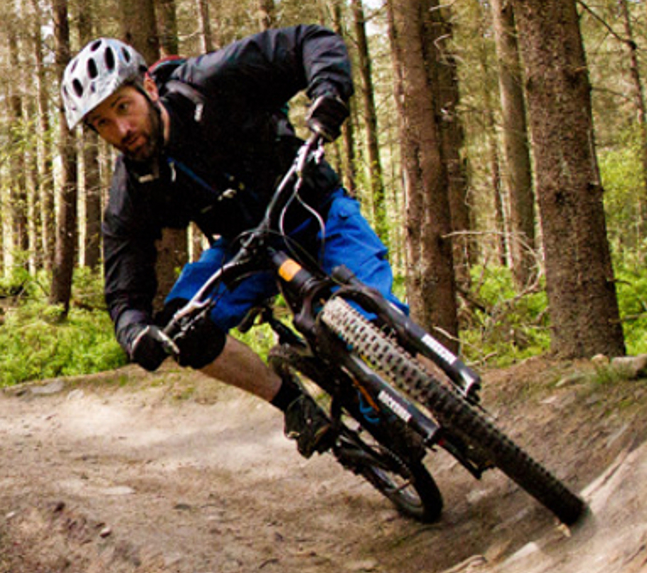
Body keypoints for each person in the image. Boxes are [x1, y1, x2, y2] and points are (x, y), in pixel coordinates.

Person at [60, 25, 407, 457]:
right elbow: (124, 272)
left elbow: (310, 42)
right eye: (103, 123)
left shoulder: (210, 82)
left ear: (148, 85)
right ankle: (293, 404)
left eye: (123, 107)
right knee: (181, 328)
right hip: (249, 248)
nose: (122, 128)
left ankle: (425, 387)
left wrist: (328, 93)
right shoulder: (133, 184)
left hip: (312, 208)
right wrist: (132, 330)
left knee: (370, 311)